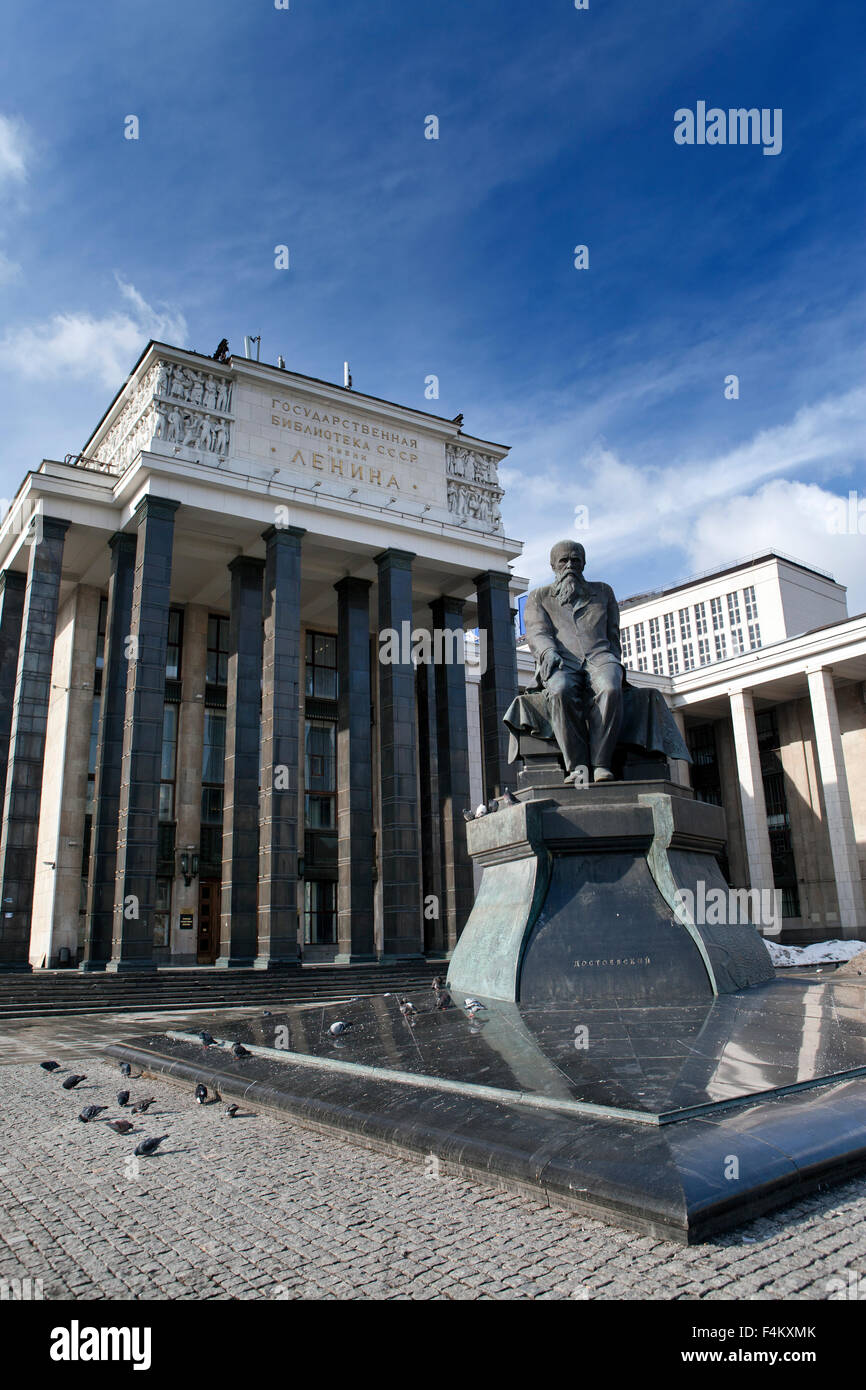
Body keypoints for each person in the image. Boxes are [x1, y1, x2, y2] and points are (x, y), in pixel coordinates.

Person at [522, 540, 623, 783]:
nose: (570, 565)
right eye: (563, 561)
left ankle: (600, 764)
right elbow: (537, 632)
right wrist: (548, 653)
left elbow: (613, 632)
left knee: (610, 688)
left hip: (599, 657)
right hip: (562, 661)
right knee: (560, 690)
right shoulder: (539, 597)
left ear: (584, 563)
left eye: (575, 560)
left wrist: (614, 662)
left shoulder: (603, 592)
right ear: (553, 566)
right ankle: (578, 767)